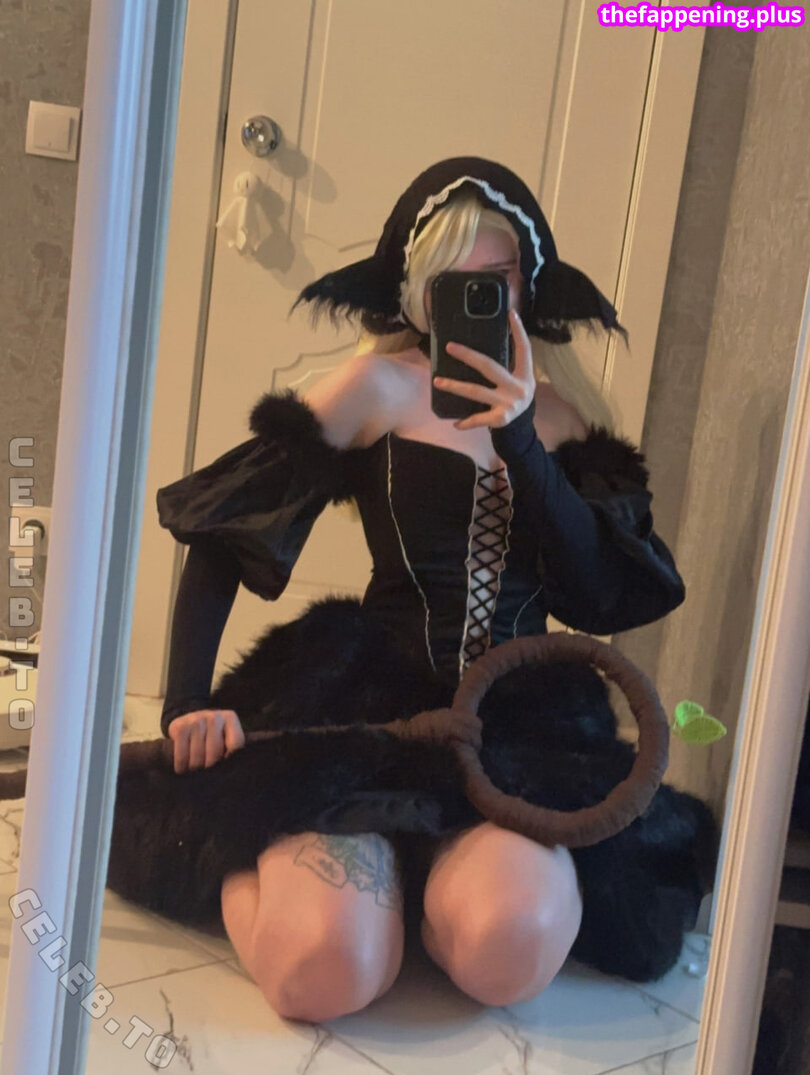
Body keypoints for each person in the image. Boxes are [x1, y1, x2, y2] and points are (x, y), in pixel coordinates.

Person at [110, 157, 718, 1025]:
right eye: (451, 280)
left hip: (522, 723)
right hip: (367, 706)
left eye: (497, 277)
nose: (477, 296)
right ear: (414, 290)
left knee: (511, 948)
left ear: (528, 285)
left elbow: (602, 597)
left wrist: (521, 441)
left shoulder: (559, 422)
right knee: (322, 969)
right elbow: (223, 533)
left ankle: (428, 885)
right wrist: (185, 700)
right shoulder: (377, 390)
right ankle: (271, 876)